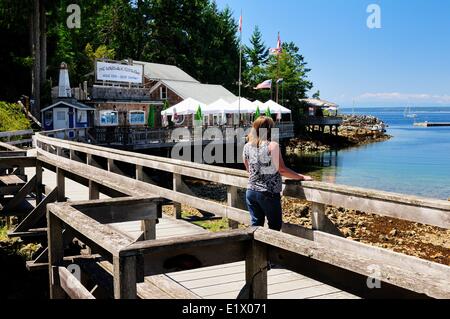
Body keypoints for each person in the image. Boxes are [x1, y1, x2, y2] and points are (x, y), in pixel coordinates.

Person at [243, 116, 313, 231]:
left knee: (256, 225)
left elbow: (248, 170)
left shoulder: (247, 146)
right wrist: (302, 177)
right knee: (274, 227)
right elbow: (282, 169)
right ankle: (270, 249)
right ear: (269, 129)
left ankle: (256, 248)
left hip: (251, 191)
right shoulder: (272, 146)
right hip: (268, 193)